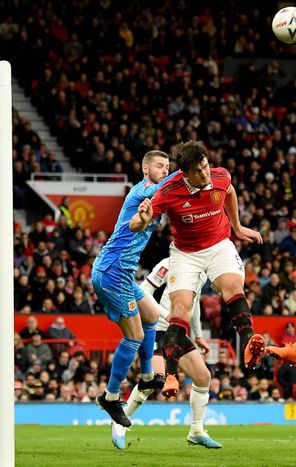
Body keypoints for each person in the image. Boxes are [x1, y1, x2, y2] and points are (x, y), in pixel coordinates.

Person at [130, 141, 265, 398]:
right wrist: (142, 220)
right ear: (185, 174)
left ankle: (249, 341)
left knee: (233, 288)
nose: (205, 174)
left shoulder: (220, 175)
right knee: (179, 309)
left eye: (205, 166)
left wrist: (237, 227)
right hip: (185, 254)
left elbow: (230, 191)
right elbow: (138, 223)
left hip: (218, 246)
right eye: (198, 171)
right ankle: (171, 375)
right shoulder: (169, 190)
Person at [91, 150, 171, 427]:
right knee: (134, 335)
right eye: (160, 166)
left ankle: (148, 376)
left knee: (152, 315)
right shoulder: (144, 190)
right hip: (112, 271)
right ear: (145, 168)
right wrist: (187, 171)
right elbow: (165, 187)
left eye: (168, 166)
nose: (164, 170)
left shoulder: (155, 197)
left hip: (122, 274)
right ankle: (111, 396)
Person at [111, 257, 222, 450]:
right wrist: (165, 315)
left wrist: (197, 335)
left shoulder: (201, 270)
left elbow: (193, 305)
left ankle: (196, 430)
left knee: (203, 377)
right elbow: (143, 291)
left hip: (178, 332)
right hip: (157, 328)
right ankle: (120, 422)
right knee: (155, 379)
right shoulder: (168, 264)